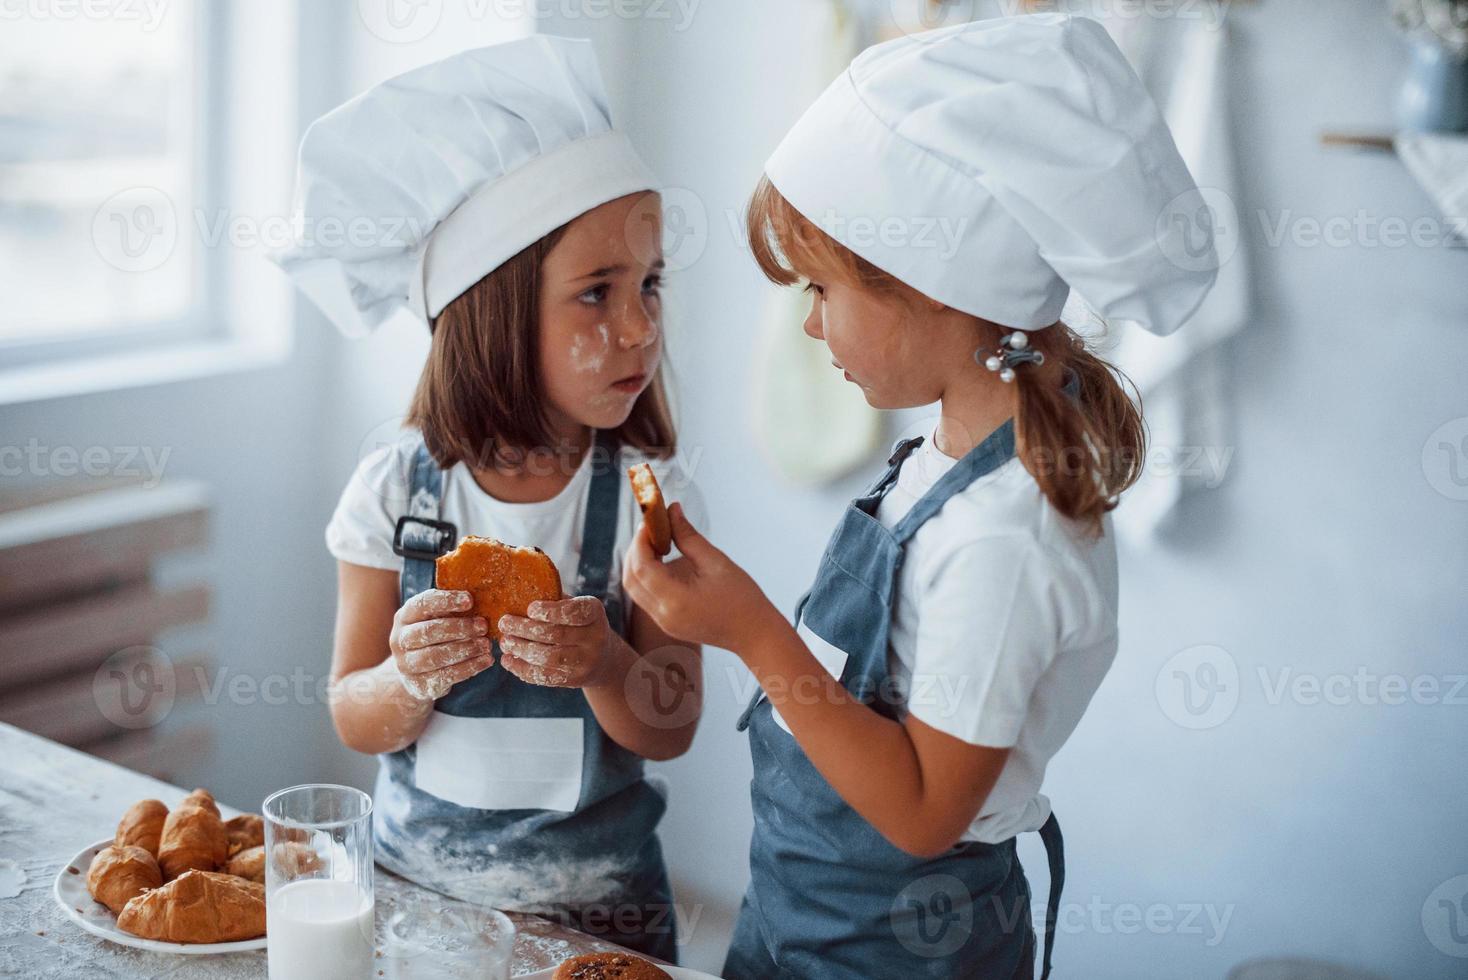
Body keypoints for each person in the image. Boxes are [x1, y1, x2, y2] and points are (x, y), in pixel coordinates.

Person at [622, 14, 1218, 978]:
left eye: (819, 288)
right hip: (802, 909)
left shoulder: (1006, 540)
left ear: (937, 282)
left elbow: (924, 810)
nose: (810, 326)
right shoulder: (945, 456)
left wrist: (752, 632)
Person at [271, 36, 704, 962]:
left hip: (605, 922)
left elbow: (673, 723)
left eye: (651, 284)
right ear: (494, 313)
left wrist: (606, 665)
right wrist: (411, 676)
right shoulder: (395, 488)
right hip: (419, 913)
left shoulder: (647, 498)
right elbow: (352, 710)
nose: (639, 327)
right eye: (597, 293)